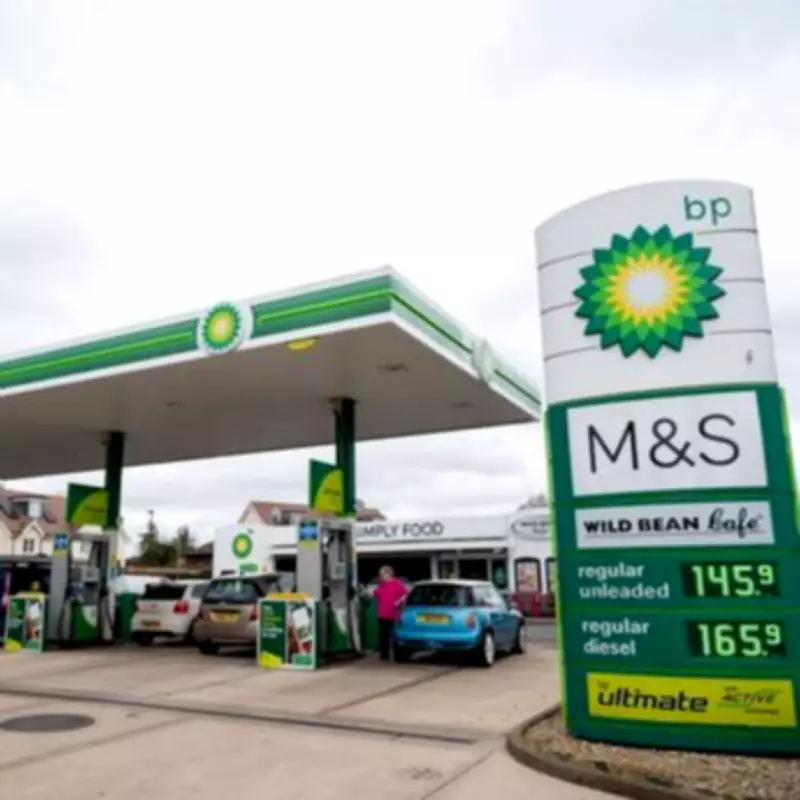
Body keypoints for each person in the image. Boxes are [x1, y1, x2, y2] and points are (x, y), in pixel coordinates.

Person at [372, 566, 408, 661]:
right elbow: (375, 594)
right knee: (383, 635)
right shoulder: (381, 585)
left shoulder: (397, 584)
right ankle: (384, 655)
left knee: (394, 635)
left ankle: (396, 655)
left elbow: (405, 594)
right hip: (382, 614)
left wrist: (398, 602)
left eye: (382, 574)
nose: (381, 576)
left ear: (388, 574)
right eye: (380, 574)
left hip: (393, 614)